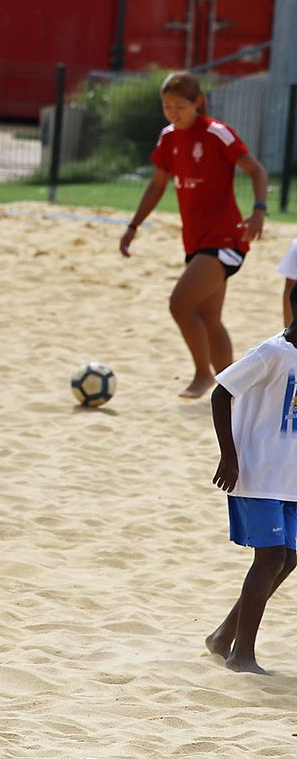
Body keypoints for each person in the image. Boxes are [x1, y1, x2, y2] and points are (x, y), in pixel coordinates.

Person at [121, 71, 269, 399]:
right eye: (166, 106)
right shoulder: (168, 138)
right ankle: (235, 390)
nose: (173, 112)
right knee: (209, 318)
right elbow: (157, 185)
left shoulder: (217, 133)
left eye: (179, 106)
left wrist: (258, 209)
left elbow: (257, 170)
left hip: (226, 240)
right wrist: (133, 227)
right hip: (196, 241)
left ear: (197, 102)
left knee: (179, 304)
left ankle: (203, 376)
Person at [206, 282, 297, 674]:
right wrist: (229, 455)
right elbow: (221, 392)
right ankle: (242, 655)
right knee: (271, 556)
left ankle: (224, 636)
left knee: (290, 556)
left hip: (290, 478)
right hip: (257, 473)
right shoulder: (271, 353)